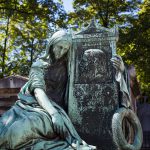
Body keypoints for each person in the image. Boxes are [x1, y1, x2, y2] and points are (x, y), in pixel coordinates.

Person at [0, 30, 126, 150]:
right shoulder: (39, 65)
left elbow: (95, 73)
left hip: (53, 111)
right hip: (36, 106)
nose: (62, 52)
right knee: (5, 129)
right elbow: (39, 91)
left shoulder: (70, 63)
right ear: (51, 44)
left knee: (17, 132)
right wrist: (54, 114)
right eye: (59, 47)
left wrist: (120, 70)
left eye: (65, 49)